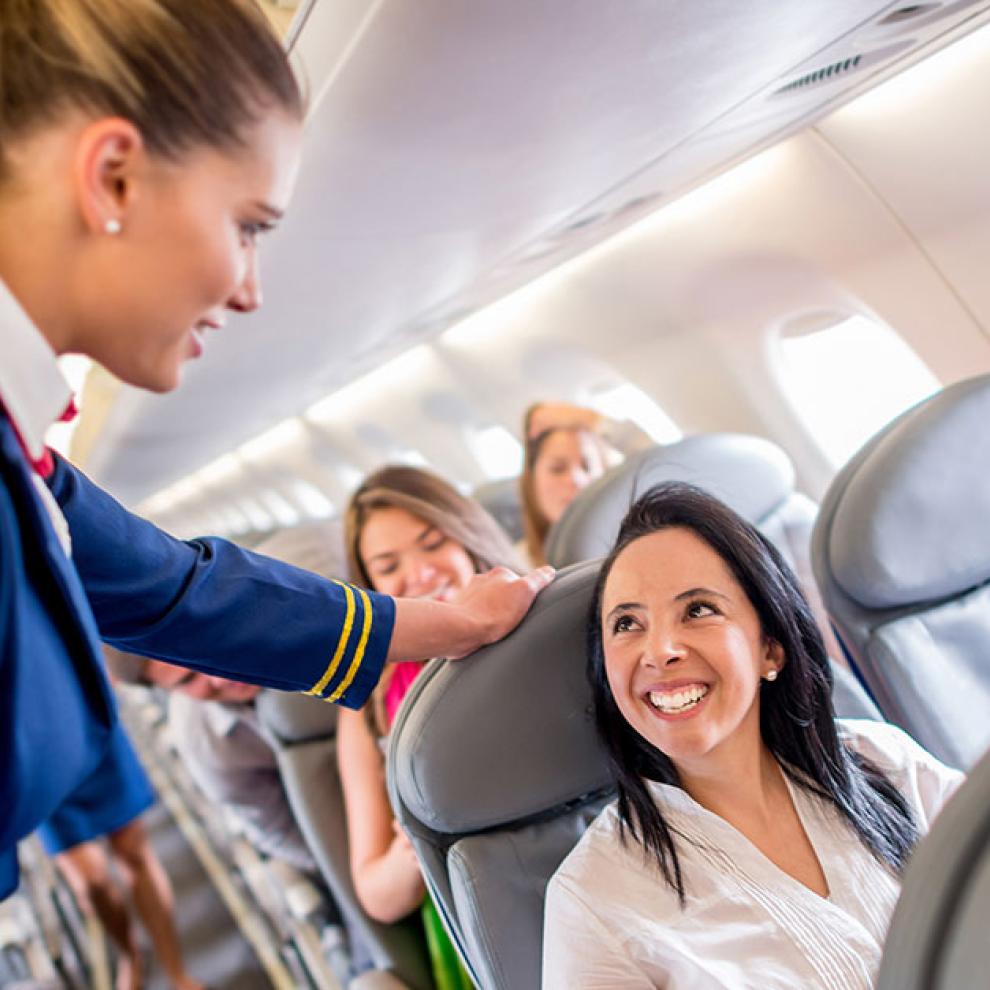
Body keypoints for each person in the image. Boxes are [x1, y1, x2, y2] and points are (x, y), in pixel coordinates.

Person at [0, 0, 552, 903]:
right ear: (113, 179)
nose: (251, 290)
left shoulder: (22, 458)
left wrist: (446, 623)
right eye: (249, 225)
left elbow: (178, 589)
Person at [542, 482, 963, 990]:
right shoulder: (594, 897)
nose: (660, 651)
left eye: (697, 610)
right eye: (627, 623)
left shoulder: (886, 762)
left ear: (771, 649)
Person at [337, 465, 521, 988]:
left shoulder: (548, 628)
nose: (418, 575)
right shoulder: (366, 707)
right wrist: (419, 833)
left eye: (432, 543)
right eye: (388, 565)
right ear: (370, 586)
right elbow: (378, 894)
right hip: (478, 917)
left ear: (469, 540)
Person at [38, 722, 201, 990]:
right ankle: (131, 956)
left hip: (84, 724)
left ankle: (178, 974)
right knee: (91, 883)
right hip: (32, 763)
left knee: (134, 854)